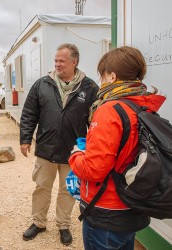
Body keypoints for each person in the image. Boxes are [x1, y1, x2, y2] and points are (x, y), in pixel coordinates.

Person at [68, 46, 166, 250]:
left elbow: (94, 170)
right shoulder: (143, 104)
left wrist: (76, 154)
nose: (101, 81)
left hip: (106, 209)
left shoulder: (110, 110)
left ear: (112, 76)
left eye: (102, 75)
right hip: (132, 205)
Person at [20, 43, 99, 246]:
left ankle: (63, 225)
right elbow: (30, 113)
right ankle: (38, 222)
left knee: (68, 189)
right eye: (56, 60)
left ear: (75, 62)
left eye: (62, 61)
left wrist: (93, 147)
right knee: (42, 187)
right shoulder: (42, 84)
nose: (57, 64)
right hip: (46, 147)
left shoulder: (89, 87)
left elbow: (96, 120)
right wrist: (25, 138)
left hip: (73, 151)